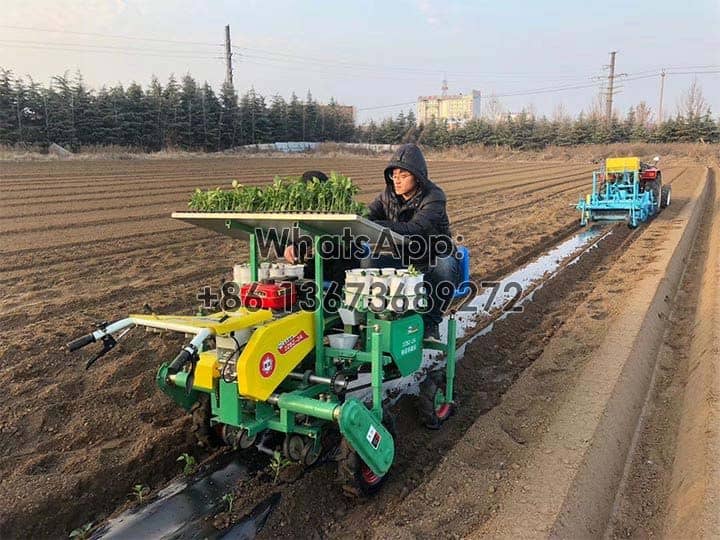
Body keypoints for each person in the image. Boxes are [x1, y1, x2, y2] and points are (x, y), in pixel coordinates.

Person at [365, 143, 460, 341]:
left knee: (444, 266)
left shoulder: (434, 197)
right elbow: (366, 217)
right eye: (394, 175)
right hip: (404, 259)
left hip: (434, 256)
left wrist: (379, 225)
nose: (397, 181)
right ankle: (373, 320)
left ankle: (430, 324)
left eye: (403, 175)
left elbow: (417, 229)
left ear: (417, 177)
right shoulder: (387, 196)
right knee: (369, 262)